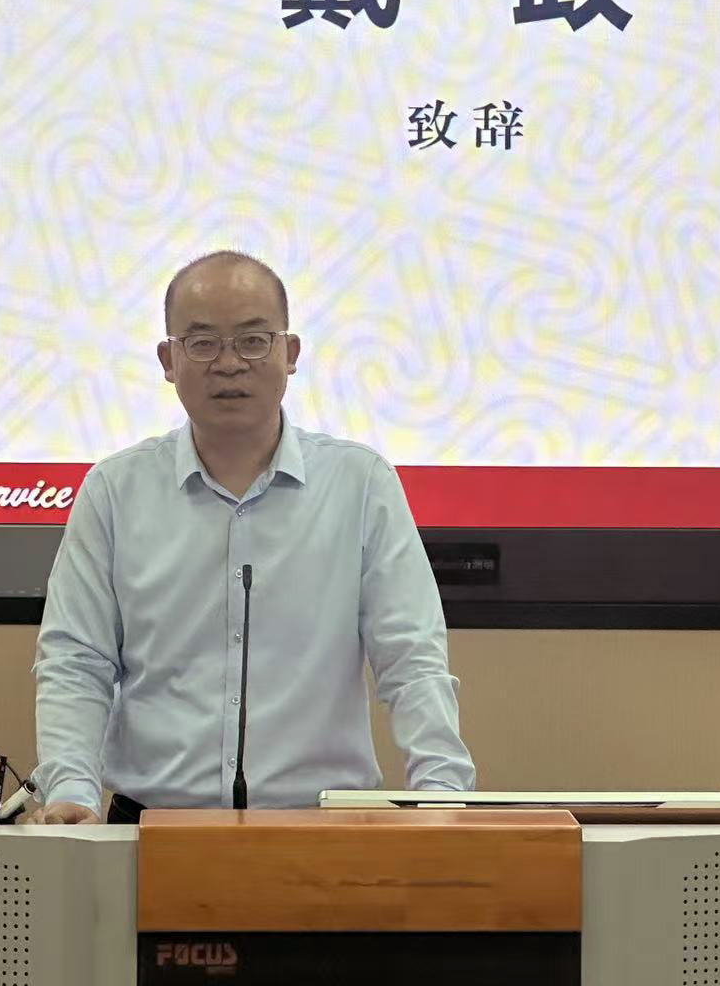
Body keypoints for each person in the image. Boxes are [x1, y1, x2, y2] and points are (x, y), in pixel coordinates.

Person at [31, 250, 475, 823]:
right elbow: (76, 660)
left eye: (252, 341)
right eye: (202, 343)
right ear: (168, 360)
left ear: (290, 354)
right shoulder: (115, 491)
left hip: (321, 830)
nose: (229, 363)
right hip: (149, 828)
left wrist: (442, 791)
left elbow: (411, 657)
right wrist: (71, 788)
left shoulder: (359, 484)